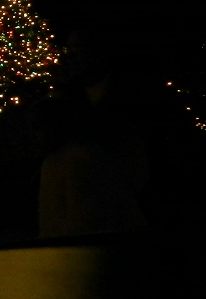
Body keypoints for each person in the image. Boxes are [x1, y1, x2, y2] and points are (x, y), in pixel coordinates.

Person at [34, 29, 149, 238]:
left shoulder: (131, 93)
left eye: (78, 50)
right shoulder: (70, 94)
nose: (71, 57)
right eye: (69, 50)